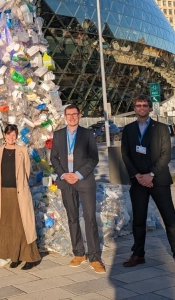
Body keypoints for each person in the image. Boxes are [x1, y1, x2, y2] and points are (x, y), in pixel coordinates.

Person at [121, 94, 175, 272]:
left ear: (150, 108)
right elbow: (126, 155)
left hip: (158, 180)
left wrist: (150, 174)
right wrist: (138, 175)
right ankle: (138, 254)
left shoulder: (161, 128)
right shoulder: (128, 130)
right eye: (138, 105)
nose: (142, 108)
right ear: (134, 108)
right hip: (138, 182)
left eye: (145, 105)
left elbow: (166, 155)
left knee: (170, 219)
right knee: (138, 220)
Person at [50, 105, 105, 274]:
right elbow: (53, 158)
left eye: (75, 114)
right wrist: (64, 175)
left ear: (80, 116)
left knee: (89, 219)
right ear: (65, 116)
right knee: (72, 218)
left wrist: (79, 174)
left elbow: (93, 158)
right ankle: (79, 253)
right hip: (66, 181)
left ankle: (95, 257)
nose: (72, 117)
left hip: (84, 181)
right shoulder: (58, 135)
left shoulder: (88, 134)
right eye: (69, 114)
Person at [0, 124, 41, 270]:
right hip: (5, 193)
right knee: (9, 225)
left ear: (17, 135)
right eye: (8, 135)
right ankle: (14, 256)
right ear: (4, 135)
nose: (10, 137)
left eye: (13, 135)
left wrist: (21, 186)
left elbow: (26, 171)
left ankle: (30, 257)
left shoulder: (23, 151)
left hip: (19, 192)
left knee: (23, 225)